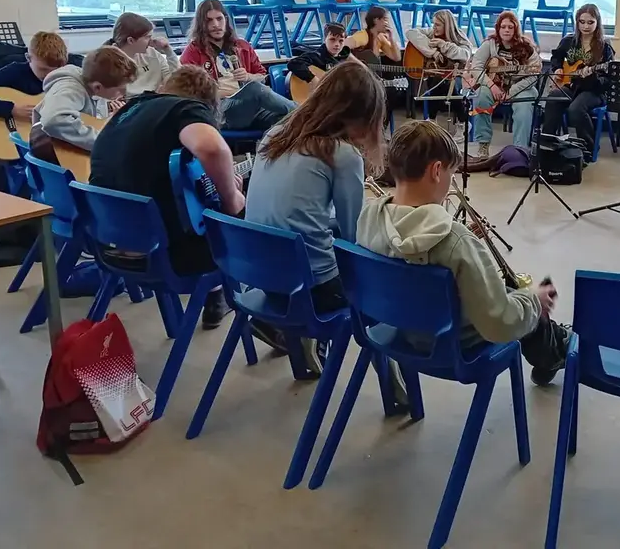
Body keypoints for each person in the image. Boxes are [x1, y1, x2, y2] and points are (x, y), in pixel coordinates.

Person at [356, 120, 570, 386]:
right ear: (436, 171)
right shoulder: (455, 241)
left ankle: (553, 341)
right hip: (454, 344)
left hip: (400, 329)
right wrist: (534, 302)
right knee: (520, 302)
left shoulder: (368, 218)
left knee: (510, 296)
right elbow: (498, 323)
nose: (451, 182)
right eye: (451, 174)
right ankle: (556, 347)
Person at [246, 61, 385, 373]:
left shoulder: (276, 134)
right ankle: (396, 384)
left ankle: (301, 340)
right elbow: (354, 236)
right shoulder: (342, 154)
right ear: (362, 114)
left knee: (321, 242)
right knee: (382, 285)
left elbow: (302, 217)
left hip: (263, 276)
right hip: (313, 290)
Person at [89, 65, 243, 328]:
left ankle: (217, 293)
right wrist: (232, 198)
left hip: (110, 248)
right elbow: (211, 148)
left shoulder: (128, 110)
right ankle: (257, 309)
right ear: (207, 102)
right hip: (168, 258)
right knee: (245, 220)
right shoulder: (185, 108)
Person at [179, 0, 296, 131]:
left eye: (219, 18)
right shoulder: (193, 51)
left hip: (250, 108)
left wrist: (247, 77)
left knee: (287, 120)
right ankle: (307, 110)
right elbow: (191, 94)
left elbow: (262, 77)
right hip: (219, 111)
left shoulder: (242, 46)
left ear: (226, 19)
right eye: (209, 21)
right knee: (254, 89)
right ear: (201, 24)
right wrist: (237, 93)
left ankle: (267, 149)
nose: (216, 24)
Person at [542, 4, 614, 163]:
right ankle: (547, 142)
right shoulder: (569, 41)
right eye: (582, 22)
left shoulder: (604, 47)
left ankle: (587, 148)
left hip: (594, 91)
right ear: (577, 22)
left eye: (590, 22)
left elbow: (608, 79)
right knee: (554, 98)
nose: (586, 26)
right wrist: (558, 68)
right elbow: (556, 57)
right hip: (572, 84)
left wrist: (592, 76)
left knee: (576, 108)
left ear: (597, 23)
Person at [33, 45, 137, 152]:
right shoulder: (71, 89)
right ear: (97, 87)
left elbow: (90, 119)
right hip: (54, 157)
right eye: (120, 89)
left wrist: (112, 119)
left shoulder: (92, 85)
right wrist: (102, 142)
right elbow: (52, 120)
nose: (124, 93)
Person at [469, 11, 542, 157]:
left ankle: (519, 150)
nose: (506, 30)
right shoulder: (490, 44)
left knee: (523, 105)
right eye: (503, 27)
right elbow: (476, 67)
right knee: (481, 95)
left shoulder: (527, 47)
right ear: (498, 28)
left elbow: (534, 75)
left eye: (510, 27)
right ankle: (483, 145)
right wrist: (492, 86)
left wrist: (512, 91)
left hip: (521, 87)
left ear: (516, 29)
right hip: (494, 85)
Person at [407, 9, 475, 142]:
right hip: (437, 77)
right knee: (438, 80)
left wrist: (443, 45)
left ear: (447, 25)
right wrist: (432, 52)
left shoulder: (460, 37)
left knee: (446, 82)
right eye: (433, 24)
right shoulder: (432, 33)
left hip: (457, 77)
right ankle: (462, 121)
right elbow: (410, 33)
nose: (434, 27)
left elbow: (465, 54)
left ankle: (433, 120)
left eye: (437, 25)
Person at [0, 30, 71, 121]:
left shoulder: (70, 74)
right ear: (28, 58)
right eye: (43, 69)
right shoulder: (14, 72)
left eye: (57, 70)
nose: (50, 75)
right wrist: (10, 109)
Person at [106, 12, 178, 96]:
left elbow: (175, 81)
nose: (152, 40)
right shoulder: (109, 61)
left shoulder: (152, 53)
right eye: (147, 37)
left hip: (154, 101)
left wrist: (168, 50)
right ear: (131, 41)